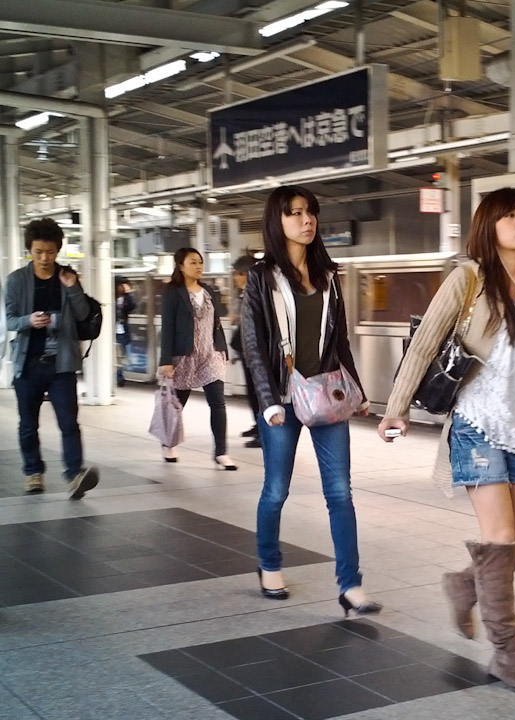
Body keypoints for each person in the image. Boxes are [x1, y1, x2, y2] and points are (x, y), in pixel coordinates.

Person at [378, 187, 515, 691]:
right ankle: (507, 652)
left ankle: (464, 583)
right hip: (477, 424)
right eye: (512, 215)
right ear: (489, 225)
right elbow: (426, 341)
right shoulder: (468, 279)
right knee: (499, 539)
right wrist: (398, 408)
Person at [241, 185, 380, 614]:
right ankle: (268, 564)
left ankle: (350, 585)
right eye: (296, 213)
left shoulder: (327, 276)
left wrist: (355, 390)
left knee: (340, 492)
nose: (307, 220)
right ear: (277, 221)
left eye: (310, 213)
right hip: (281, 403)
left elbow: (340, 342)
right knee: (276, 490)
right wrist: (267, 400)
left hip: (325, 396)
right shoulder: (262, 279)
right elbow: (252, 344)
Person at [4, 218, 100, 498]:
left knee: (69, 422)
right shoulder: (15, 281)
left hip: (62, 364)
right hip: (28, 363)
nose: (44, 258)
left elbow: (84, 315)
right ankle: (33, 472)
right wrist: (28, 320)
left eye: (50, 252)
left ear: (58, 250)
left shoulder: (67, 278)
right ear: (29, 250)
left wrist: (73, 288)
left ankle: (74, 476)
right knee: (28, 424)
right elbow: (8, 320)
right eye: (38, 252)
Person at [158, 247, 235, 470]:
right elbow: (168, 327)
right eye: (192, 262)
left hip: (211, 355)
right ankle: (169, 443)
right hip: (184, 355)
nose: (198, 266)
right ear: (180, 266)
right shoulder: (173, 292)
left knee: (218, 403)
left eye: (200, 262)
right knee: (177, 404)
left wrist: (223, 351)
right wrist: (166, 361)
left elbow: (216, 323)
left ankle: (221, 452)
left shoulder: (209, 291)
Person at [230, 254, 261, 448]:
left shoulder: (257, 294)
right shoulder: (245, 293)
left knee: (259, 392)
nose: (236, 277)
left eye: (239, 273)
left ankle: (264, 431)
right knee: (252, 391)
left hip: (256, 352)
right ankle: (258, 425)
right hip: (247, 351)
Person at [115, 276, 136, 387]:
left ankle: (119, 375)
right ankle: (118, 376)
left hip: (123, 330)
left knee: (122, 354)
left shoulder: (126, 299)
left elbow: (133, 306)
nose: (122, 288)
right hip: (112, 331)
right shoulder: (110, 297)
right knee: (116, 355)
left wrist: (128, 293)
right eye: (121, 285)